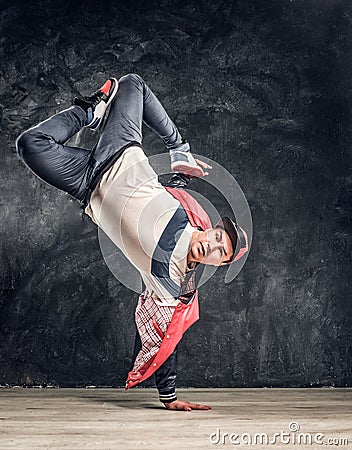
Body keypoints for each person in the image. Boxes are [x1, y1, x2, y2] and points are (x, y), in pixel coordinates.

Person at [16, 74, 248, 411]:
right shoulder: (186, 211)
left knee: (31, 144)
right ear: (211, 228)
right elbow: (170, 183)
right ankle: (116, 120)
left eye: (220, 253)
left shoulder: (173, 284)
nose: (213, 247)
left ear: (217, 264)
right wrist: (178, 152)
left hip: (87, 185)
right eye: (217, 238)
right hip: (121, 151)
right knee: (132, 83)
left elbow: (169, 340)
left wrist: (168, 397)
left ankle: (86, 113)